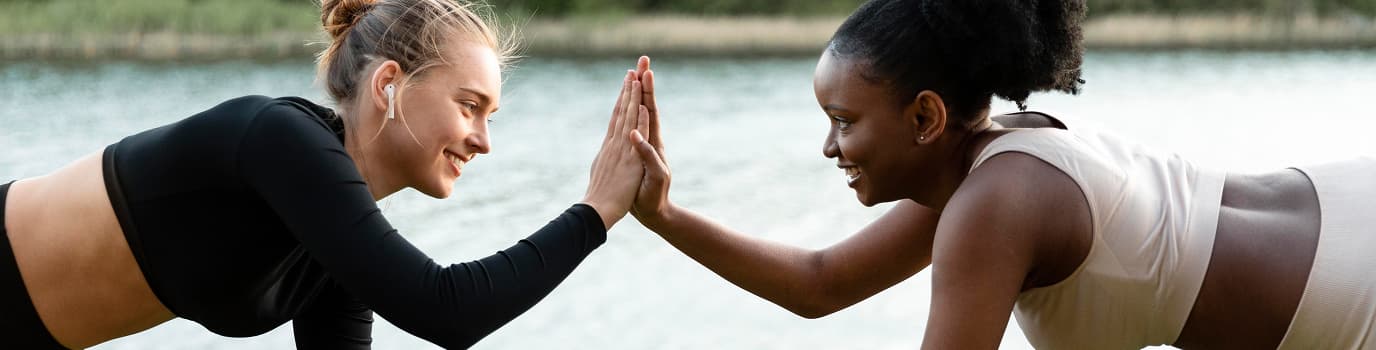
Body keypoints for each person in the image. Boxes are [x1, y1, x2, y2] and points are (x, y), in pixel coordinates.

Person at [622, 0, 1376, 348]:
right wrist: (664, 213)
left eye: (844, 121)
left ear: (925, 119)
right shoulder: (993, 166)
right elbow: (823, 283)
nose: (830, 148)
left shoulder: (995, 204)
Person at [0, 0, 656, 348]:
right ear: (391, 85)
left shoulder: (331, 245)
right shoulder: (279, 141)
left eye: (493, 116)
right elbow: (446, 309)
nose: (484, 141)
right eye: (470, 106)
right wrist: (595, 210)